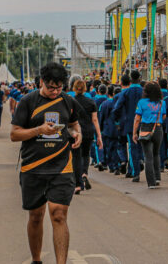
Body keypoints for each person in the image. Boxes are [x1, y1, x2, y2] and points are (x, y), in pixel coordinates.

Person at [10, 63, 81, 264]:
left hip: (62, 168)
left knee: (58, 214)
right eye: (51, 87)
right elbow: (14, 134)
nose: (55, 91)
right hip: (33, 168)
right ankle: (36, 259)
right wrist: (39, 130)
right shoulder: (27, 101)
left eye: (59, 88)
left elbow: (73, 124)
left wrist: (78, 134)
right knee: (36, 216)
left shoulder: (68, 101)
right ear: (41, 82)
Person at [71, 78, 103, 194]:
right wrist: (99, 136)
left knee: (76, 156)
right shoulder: (91, 102)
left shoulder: (71, 101)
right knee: (86, 154)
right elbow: (95, 120)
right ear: (85, 88)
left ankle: (78, 184)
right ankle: (84, 173)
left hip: (75, 132)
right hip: (89, 131)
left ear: (74, 88)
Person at [132, 81, 166, 189]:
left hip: (145, 128)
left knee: (148, 156)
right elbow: (164, 116)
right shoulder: (161, 103)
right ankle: (157, 177)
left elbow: (137, 119)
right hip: (158, 128)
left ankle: (151, 182)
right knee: (156, 153)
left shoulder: (141, 102)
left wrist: (134, 133)